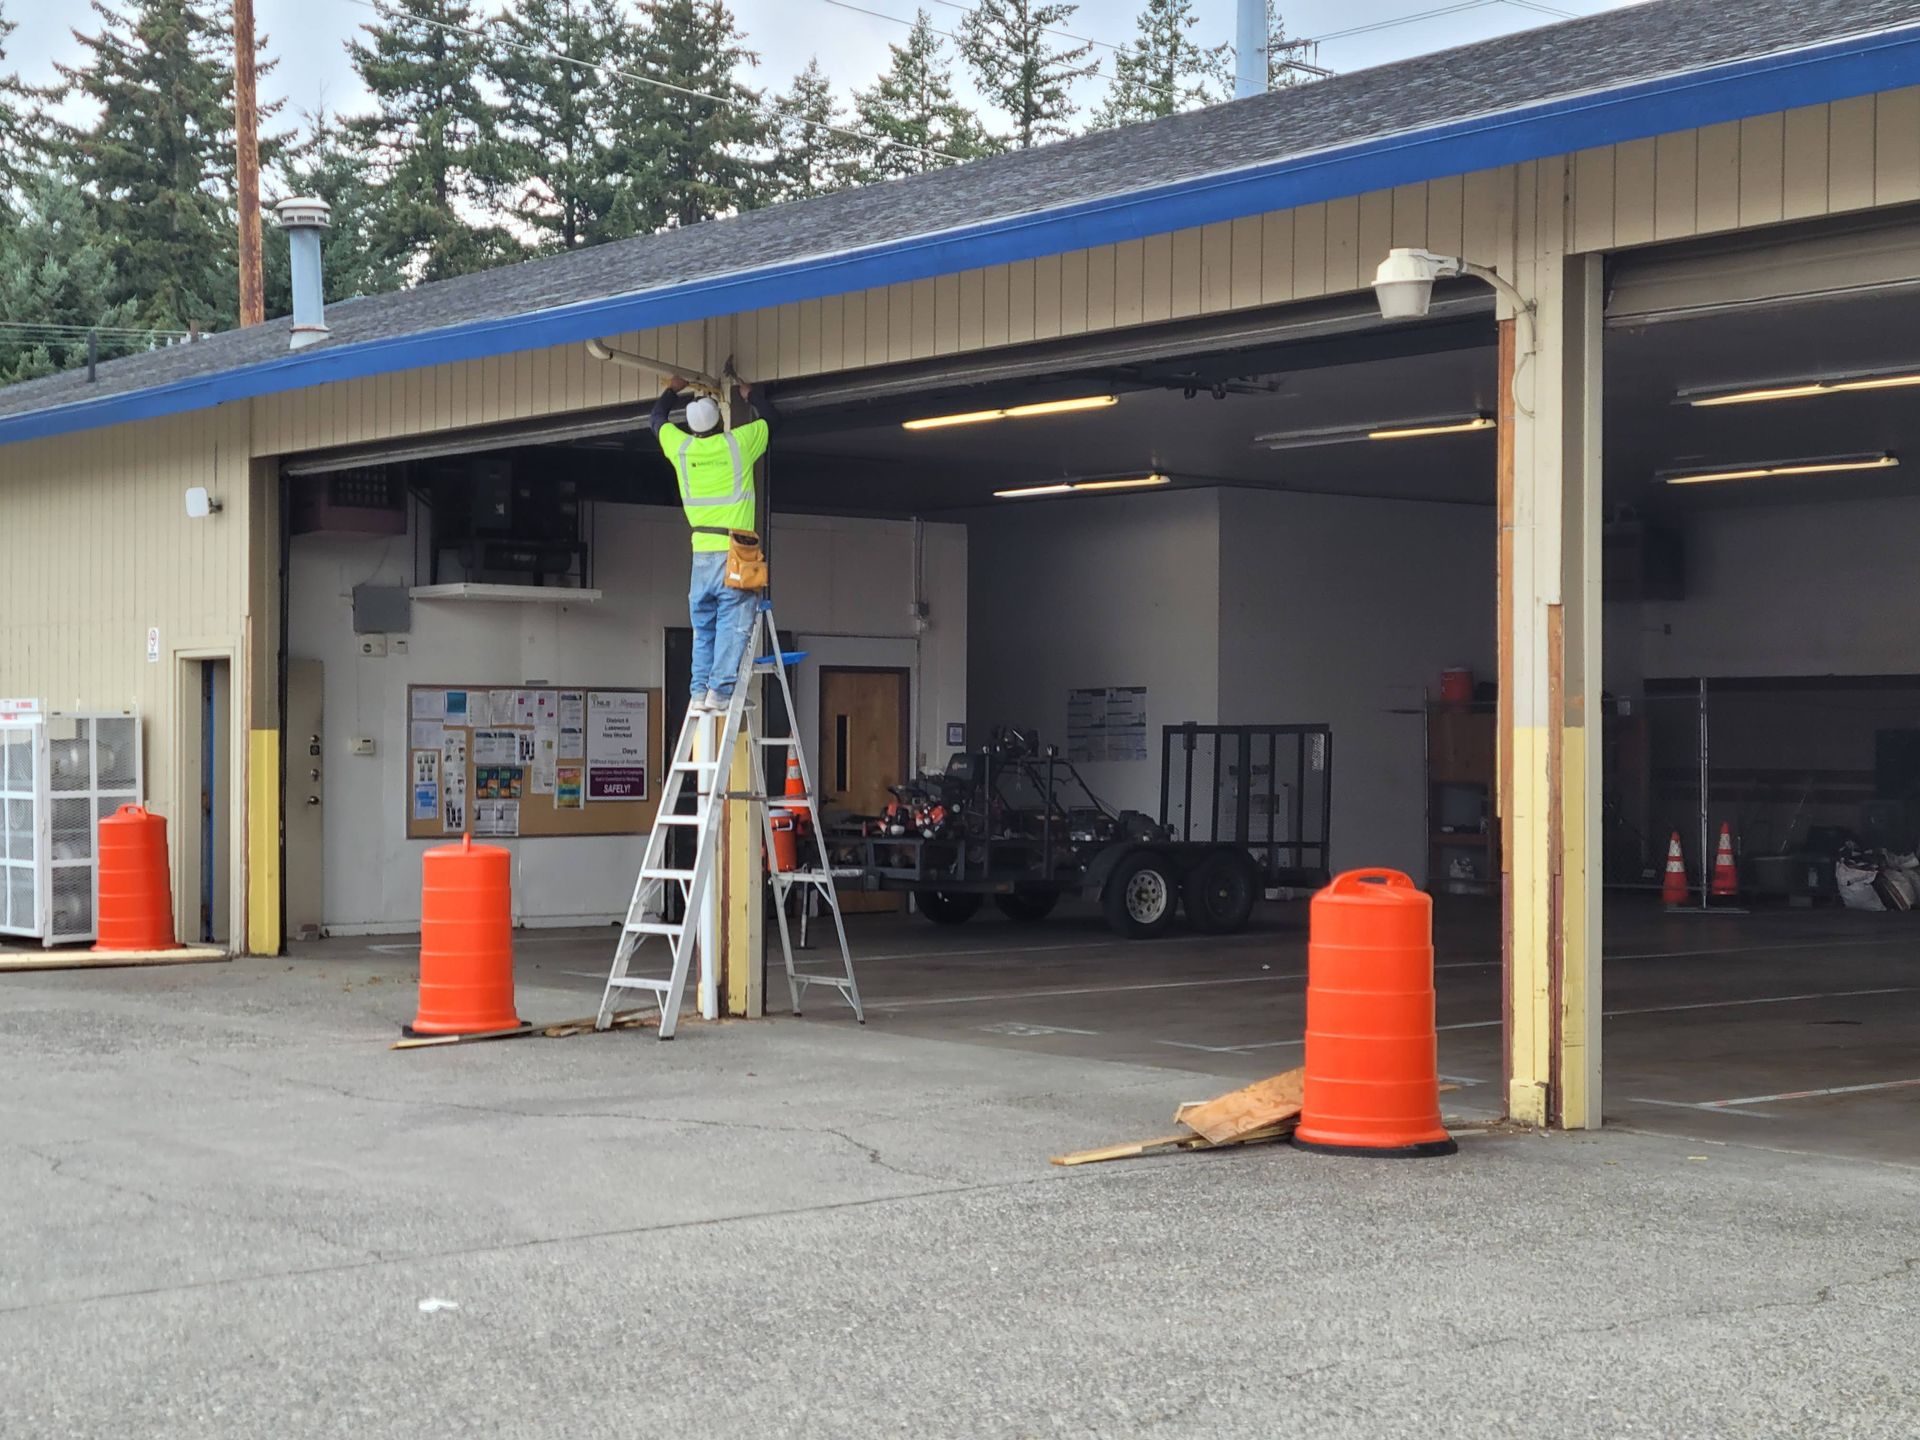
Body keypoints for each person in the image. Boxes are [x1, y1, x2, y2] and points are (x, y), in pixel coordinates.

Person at [651, 373, 775, 712]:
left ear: (691, 428)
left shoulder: (681, 447)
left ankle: (698, 691)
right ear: (721, 421)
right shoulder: (737, 443)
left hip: (702, 554)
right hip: (736, 550)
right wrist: (751, 394)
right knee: (734, 623)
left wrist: (672, 389)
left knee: (703, 625)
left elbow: (656, 420)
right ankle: (720, 692)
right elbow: (771, 420)